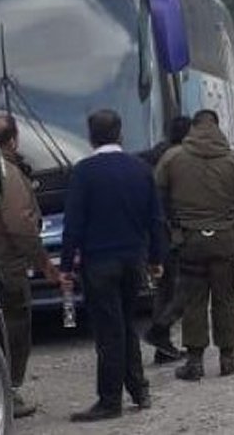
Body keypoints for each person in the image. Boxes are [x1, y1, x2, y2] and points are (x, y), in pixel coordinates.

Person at [60, 109, 167, 422]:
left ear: (91, 137)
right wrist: (156, 259)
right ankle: (140, 390)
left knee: (109, 332)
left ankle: (109, 401)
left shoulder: (84, 172)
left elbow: (74, 224)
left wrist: (66, 266)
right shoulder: (141, 169)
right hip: (134, 261)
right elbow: (156, 218)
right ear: (120, 134)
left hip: (99, 263)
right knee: (126, 324)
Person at [149, 109, 234, 381]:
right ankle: (228, 358)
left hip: (189, 241)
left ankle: (194, 362)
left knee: (194, 300)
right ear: (218, 128)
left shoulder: (172, 159)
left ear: (193, 128)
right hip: (225, 241)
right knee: (226, 299)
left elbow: (158, 195)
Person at [0, 115, 62, 418]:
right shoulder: (4, 173)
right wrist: (44, 263)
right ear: (13, 141)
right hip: (6, 265)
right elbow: (20, 225)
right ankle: (8, 391)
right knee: (15, 330)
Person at [137, 115, 193, 364]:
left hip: (154, 233)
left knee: (165, 289)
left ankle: (164, 347)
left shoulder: (154, 155)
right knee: (184, 288)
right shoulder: (179, 160)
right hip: (173, 233)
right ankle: (159, 331)